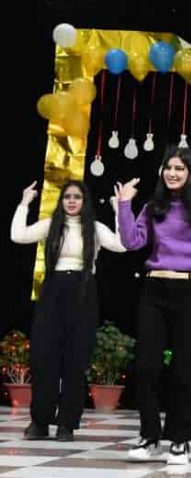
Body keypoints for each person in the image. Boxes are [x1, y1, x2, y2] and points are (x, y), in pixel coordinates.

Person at [116, 145, 191, 465]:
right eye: (168, 168)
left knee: (183, 369)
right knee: (146, 366)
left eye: (179, 169)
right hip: (155, 289)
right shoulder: (153, 206)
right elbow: (131, 241)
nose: (172, 173)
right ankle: (149, 437)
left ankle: (180, 440)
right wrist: (124, 204)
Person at [11, 180, 125, 441]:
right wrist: (25, 203)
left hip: (83, 291)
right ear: (61, 201)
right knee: (44, 358)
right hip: (53, 290)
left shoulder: (94, 228)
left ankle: (67, 424)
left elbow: (122, 244)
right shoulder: (51, 225)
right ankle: (40, 422)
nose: (72, 201)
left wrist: (119, 210)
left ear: (85, 201)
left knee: (76, 360)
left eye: (77, 197)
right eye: (67, 197)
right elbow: (17, 235)